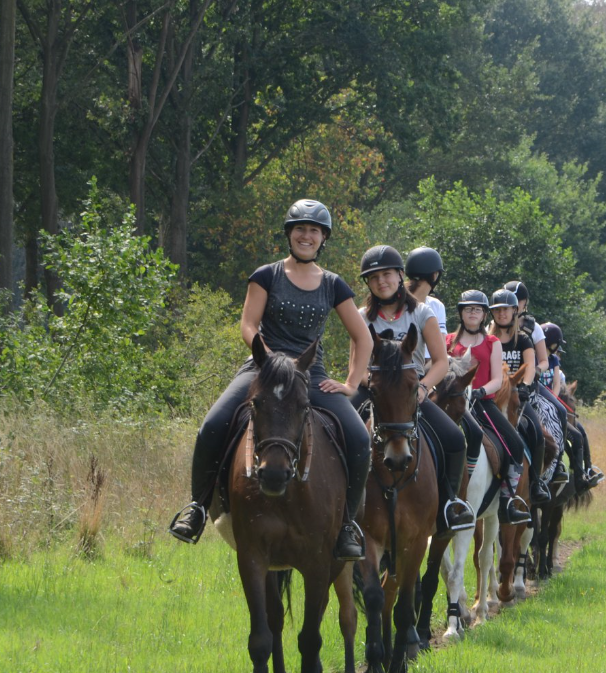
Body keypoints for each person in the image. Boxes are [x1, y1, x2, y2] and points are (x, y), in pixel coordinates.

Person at [168, 199, 374, 560]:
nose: (306, 236)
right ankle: (198, 508)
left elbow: (364, 338)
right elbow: (248, 324)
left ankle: (346, 526)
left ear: (323, 238)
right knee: (212, 425)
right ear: (289, 235)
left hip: (310, 376)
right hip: (261, 370)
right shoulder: (267, 274)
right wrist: (268, 355)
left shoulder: (334, 285)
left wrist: (351, 384)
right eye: (300, 229)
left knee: (358, 437)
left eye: (314, 231)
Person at [351, 245, 474, 535]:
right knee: (341, 435)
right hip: (373, 391)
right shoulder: (360, 316)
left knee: (455, 439)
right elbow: (354, 369)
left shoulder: (422, 313)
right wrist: (375, 385)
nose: (381, 281)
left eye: (387, 274)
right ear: (368, 283)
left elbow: (442, 362)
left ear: (399, 276)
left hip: (412, 393)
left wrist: (422, 387)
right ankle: (344, 513)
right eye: (374, 277)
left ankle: (448, 507)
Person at [446, 290, 530, 524]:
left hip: (480, 402)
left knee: (514, 443)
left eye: (477, 309)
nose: (472, 313)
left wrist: (482, 391)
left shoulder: (492, 343)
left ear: (484, 314)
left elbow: (496, 378)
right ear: (461, 313)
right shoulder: (448, 340)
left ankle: (508, 499)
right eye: (468, 309)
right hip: (450, 402)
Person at [488, 288, 552, 506]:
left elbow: (530, 366)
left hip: (519, 397)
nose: (501, 314)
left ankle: (535, 481)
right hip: (493, 396)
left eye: (505, 310)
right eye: (497, 310)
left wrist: (524, 386)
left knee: (536, 432)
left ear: (515, 311)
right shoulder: (489, 339)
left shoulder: (523, 339)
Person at [541, 322, 604, 489]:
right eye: (557, 345)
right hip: (537, 403)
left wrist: (552, 401)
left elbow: (557, 386)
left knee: (579, 434)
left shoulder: (555, 362)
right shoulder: (534, 358)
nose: (558, 349)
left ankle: (584, 472)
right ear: (551, 343)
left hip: (552, 403)